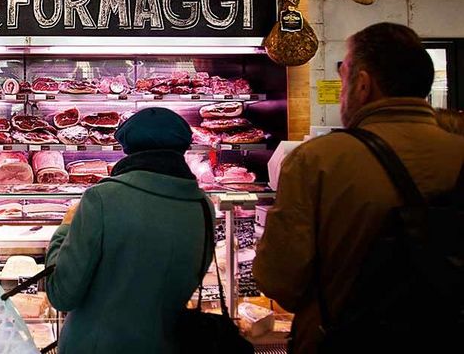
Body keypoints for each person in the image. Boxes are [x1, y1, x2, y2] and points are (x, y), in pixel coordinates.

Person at [254, 23, 464, 354]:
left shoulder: (318, 161)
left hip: (343, 340)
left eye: (343, 78)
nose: (341, 92)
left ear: (363, 85)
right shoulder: (458, 152)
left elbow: (282, 282)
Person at [45, 107, 213, 353]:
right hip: (168, 344)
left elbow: (62, 294)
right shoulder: (203, 204)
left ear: (128, 148)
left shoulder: (102, 199)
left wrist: (65, 229)